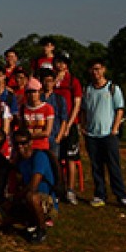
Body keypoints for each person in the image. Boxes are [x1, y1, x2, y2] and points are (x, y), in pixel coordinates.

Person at [0, 129, 56, 244]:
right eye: (17, 144)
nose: (20, 147)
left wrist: (15, 199)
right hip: (25, 200)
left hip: (43, 200)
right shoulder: (20, 162)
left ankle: (41, 228)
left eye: (23, 143)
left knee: (31, 196)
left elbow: (33, 186)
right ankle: (26, 224)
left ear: (31, 142)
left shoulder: (39, 157)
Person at [82, 58, 126, 209]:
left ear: (104, 70)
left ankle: (121, 196)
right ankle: (99, 194)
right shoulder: (87, 89)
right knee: (96, 167)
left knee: (113, 166)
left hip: (108, 134)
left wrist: (114, 129)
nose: (96, 72)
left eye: (98, 69)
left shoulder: (113, 88)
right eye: (93, 69)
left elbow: (119, 109)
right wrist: (83, 127)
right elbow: (83, 110)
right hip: (92, 135)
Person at [53, 52, 83, 204]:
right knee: (56, 159)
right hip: (55, 124)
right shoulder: (51, 80)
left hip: (70, 125)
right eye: (58, 62)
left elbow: (77, 105)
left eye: (63, 62)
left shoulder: (73, 81)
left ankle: (70, 190)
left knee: (71, 158)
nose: (60, 65)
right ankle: (59, 189)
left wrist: (69, 125)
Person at [40, 69, 68, 159]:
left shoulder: (60, 99)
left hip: (54, 137)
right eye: (46, 81)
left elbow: (64, 119)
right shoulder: (38, 98)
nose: (48, 84)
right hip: (40, 138)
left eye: (50, 81)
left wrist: (58, 138)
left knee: (54, 164)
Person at [21, 78, 54, 152]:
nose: (32, 95)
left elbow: (47, 132)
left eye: (34, 92)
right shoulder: (23, 108)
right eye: (29, 92)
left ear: (39, 92)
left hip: (42, 147)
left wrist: (29, 135)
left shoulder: (48, 108)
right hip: (26, 147)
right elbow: (21, 128)